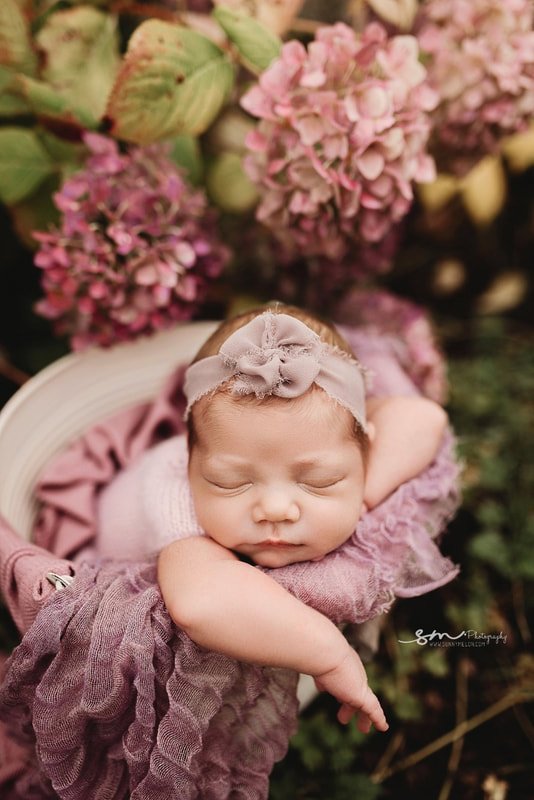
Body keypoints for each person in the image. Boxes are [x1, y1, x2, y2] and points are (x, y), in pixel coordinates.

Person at [97, 303, 448, 735]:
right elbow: (197, 604)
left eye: (320, 480)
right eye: (232, 483)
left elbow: (425, 418)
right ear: (190, 464)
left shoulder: (328, 440)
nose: (277, 509)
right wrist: (330, 653)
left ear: (366, 451)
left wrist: (366, 492)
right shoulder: (173, 495)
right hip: (108, 565)